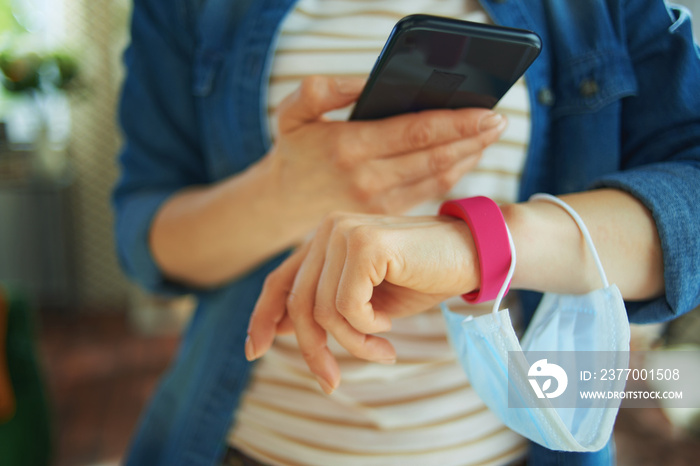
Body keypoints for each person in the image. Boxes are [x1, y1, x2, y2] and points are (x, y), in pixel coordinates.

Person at [113, 0, 700, 465]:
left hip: (517, 449)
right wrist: (282, 194)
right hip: (245, 445)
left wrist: (477, 247)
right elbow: (144, 241)